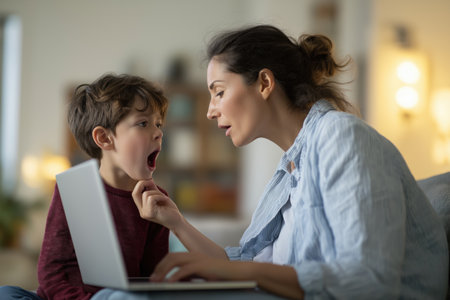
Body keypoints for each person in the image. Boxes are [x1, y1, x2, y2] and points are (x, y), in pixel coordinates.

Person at [126, 25, 448, 300]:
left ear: (265, 83)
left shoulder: (342, 137)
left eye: (219, 92)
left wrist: (233, 271)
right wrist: (175, 222)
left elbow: (369, 280)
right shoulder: (289, 170)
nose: (210, 110)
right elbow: (244, 264)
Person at [0, 74, 170, 299]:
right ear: (104, 138)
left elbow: (152, 280)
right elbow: (50, 272)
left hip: (115, 297)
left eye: (158, 124)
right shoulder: (73, 190)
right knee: (6, 293)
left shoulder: (155, 200)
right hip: (61, 298)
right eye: (143, 123)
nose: (158, 132)